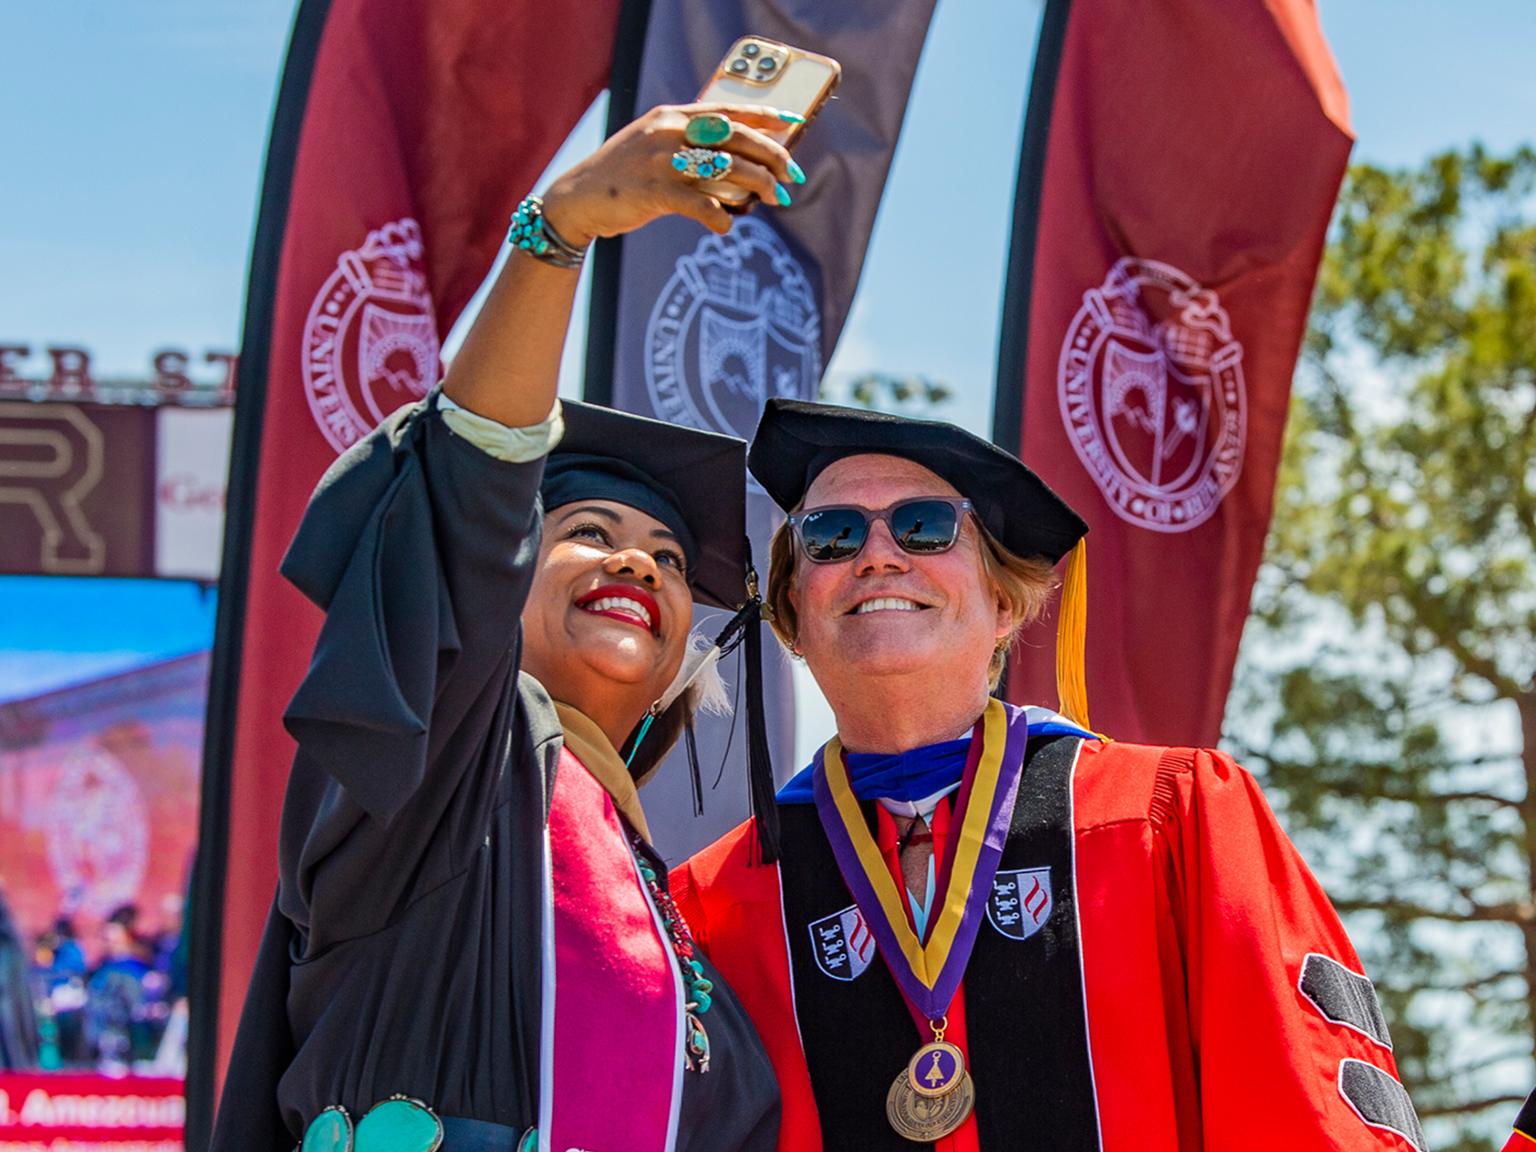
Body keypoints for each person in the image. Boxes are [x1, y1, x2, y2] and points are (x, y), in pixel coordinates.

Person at [212, 102, 807, 1152]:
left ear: (683, 662)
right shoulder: (438, 781)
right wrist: (560, 229)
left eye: (670, 560)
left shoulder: (672, 922)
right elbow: (464, 514)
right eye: (587, 531)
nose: (637, 562)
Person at [672, 399, 1427, 1150]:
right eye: (831, 537)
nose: (877, 555)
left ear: (1004, 602)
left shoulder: (1173, 820)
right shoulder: (712, 904)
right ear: (793, 613)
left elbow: (1304, 1116)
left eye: (925, 526)